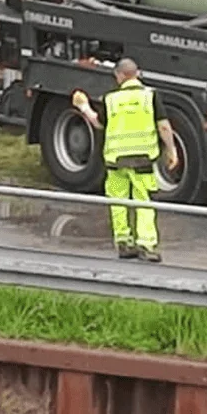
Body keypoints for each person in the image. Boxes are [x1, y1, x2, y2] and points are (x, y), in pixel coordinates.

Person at [71, 58, 180, 262]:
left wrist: (84, 107)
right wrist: (171, 150)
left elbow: (98, 124)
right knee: (144, 202)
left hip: (115, 161)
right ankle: (147, 246)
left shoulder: (110, 99)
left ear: (119, 76)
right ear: (137, 74)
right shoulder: (150, 96)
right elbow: (163, 126)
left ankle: (124, 243)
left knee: (118, 202)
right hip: (142, 161)